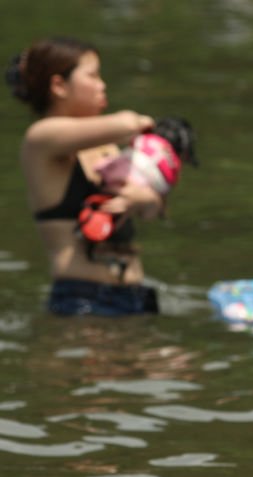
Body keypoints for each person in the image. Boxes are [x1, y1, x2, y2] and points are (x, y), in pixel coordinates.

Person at [6, 37, 163, 316]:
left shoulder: (106, 146)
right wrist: (143, 123)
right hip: (84, 299)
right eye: (93, 75)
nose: (102, 85)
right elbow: (127, 123)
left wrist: (141, 198)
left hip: (134, 295)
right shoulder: (41, 138)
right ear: (58, 86)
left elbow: (152, 211)